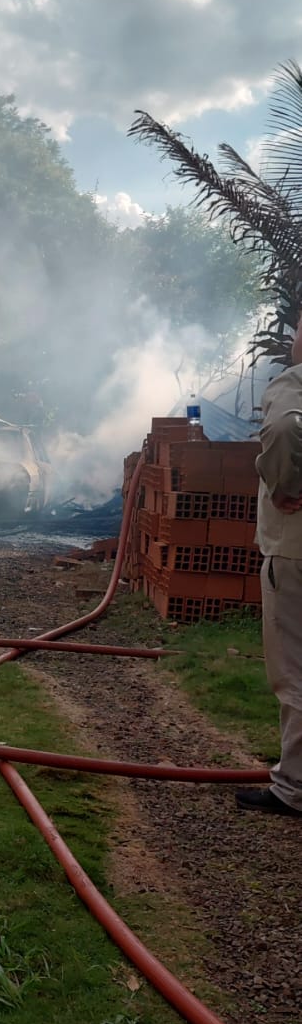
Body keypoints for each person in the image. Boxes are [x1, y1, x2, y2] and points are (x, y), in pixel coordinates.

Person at [236, 312, 302, 815]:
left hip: (294, 551)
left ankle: (293, 788)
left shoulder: (294, 383)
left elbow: (281, 427)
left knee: (294, 670)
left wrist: (285, 487)